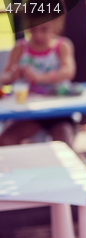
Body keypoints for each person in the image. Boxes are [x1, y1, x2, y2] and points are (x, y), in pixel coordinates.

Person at [0, 14, 77, 147]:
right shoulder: (20, 48)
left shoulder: (62, 45)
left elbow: (68, 71)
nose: (38, 35)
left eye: (44, 29)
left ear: (54, 25)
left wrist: (39, 78)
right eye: (33, 30)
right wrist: (12, 76)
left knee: (64, 142)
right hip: (29, 113)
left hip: (58, 111)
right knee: (5, 140)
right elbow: (4, 78)